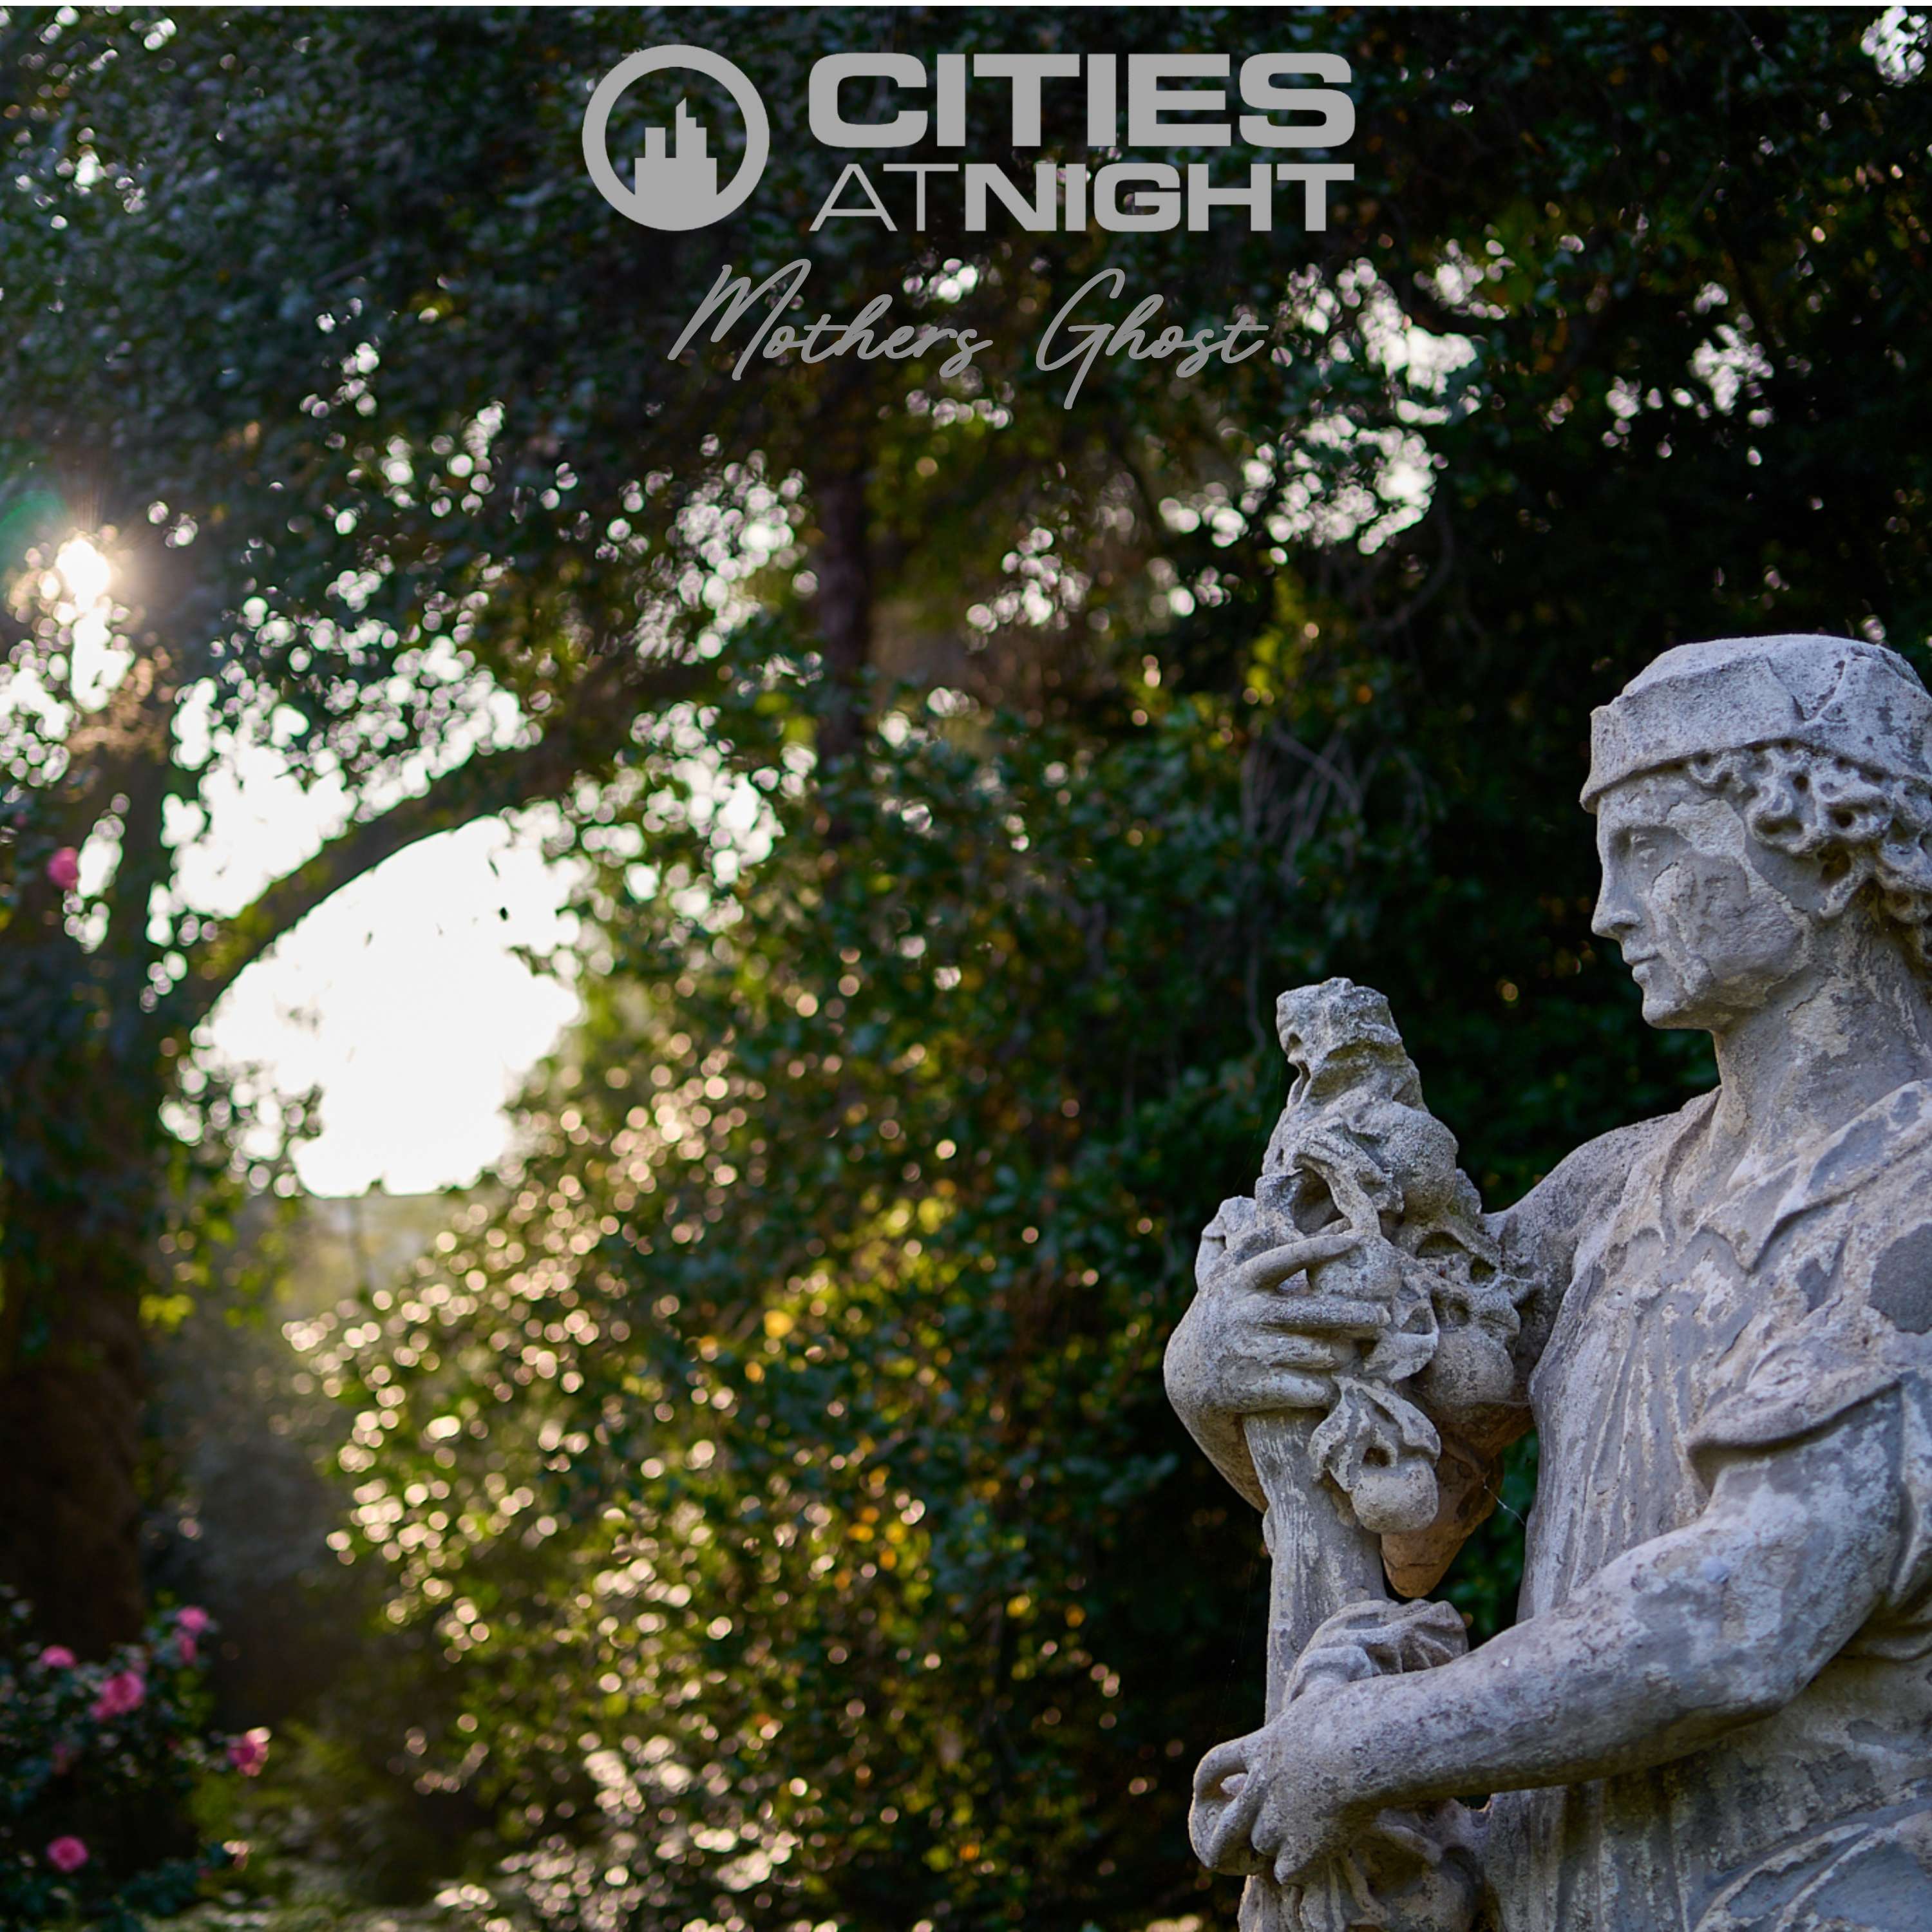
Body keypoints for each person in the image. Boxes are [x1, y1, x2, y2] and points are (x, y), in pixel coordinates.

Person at [1165, 635, 1932, 1931]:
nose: (1608, 911)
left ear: (1824, 843)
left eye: (1655, 850)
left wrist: (1358, 1745)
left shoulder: (1907, 1200)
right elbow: (1410, 1503)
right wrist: (1216, 1367)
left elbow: (1738, 1619)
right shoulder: (1613, 1193)